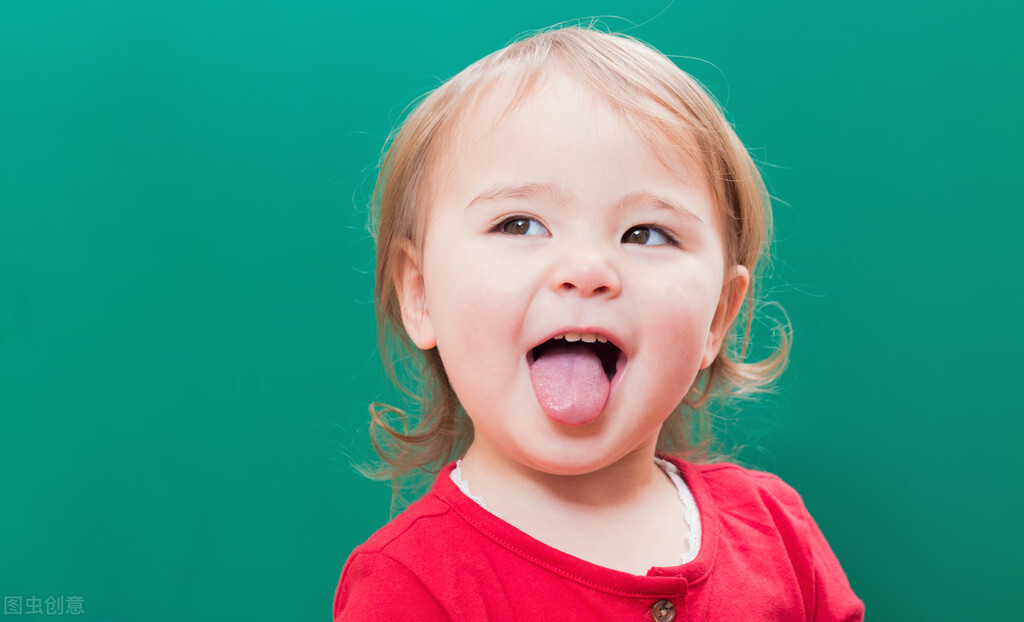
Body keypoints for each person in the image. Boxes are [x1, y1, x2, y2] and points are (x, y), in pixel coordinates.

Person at [334, 25, 864, 621]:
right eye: (519, 224)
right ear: (421, 292)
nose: (586, 270)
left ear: (718, 314)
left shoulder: (774, 529)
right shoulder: (411, 583)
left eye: (646, 234)